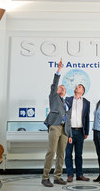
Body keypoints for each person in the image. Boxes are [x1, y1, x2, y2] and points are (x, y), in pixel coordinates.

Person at [42, 59, 72, 187]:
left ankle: (57, 177)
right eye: (60, 87)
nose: (62, 89)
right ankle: (45, 177)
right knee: (51, 152)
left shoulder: (67, 104)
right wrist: (58, 70)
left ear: (65, 92)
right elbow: (55, 84)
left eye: (64, 88)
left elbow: (69, 120)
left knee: (61, 154)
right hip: (55, 126)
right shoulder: (54, 97)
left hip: (65, 129)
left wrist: (70, 134)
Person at [65, 84, 90, 182]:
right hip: (69, 131)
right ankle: (70, 175)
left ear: (83, 91)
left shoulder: (86, 102)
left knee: (79, 154)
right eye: (76, 86)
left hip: (80, 131)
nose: (77, 87)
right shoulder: (68, 99)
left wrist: (86, 131)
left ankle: (80, 175)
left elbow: (87, 118)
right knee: (68, 154)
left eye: (79, 87)